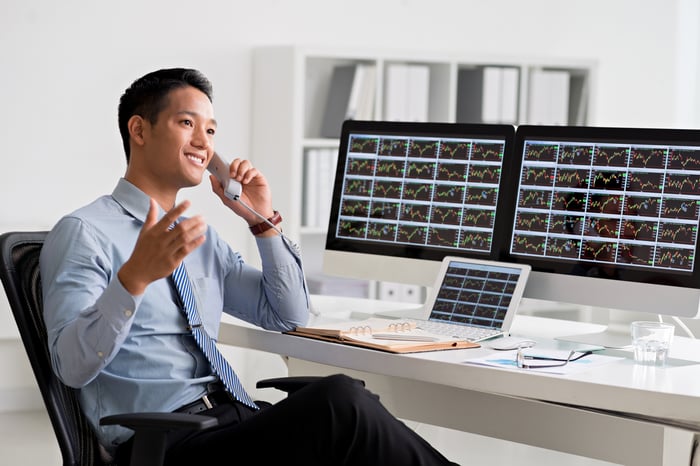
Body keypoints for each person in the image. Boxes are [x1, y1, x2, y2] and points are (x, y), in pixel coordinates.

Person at [40, 67, 459, 466]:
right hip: (167, 444)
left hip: (235, 418)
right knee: (340, 405)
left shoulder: (197, 238)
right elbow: (71, 366)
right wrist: (133, 279)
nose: (203, 142)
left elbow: (286, 314)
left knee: (356, 410)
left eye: (211, 130)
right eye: (187, 123)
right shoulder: (84, 232)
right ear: (139, 130)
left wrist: (262, 222)